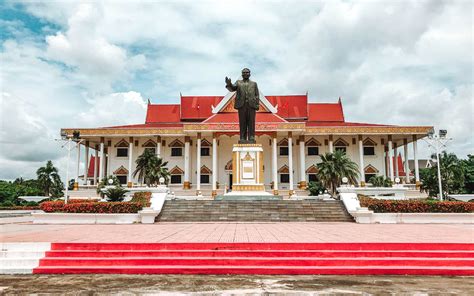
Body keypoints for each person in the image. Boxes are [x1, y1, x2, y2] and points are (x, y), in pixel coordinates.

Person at [225, 68, 259, 143]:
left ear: (249, 74)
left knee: (251, 122)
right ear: (242, 74)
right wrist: (229, 84)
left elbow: (257, 95)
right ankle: (242, 138)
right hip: (241, 105)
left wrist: (257, 105)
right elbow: (232, 88)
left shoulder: (254, 84)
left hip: (251, 105)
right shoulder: (238, 82)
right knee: (242, 122)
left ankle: (251, 137)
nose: (245, 74)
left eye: (247, 72)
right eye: (244, 73)